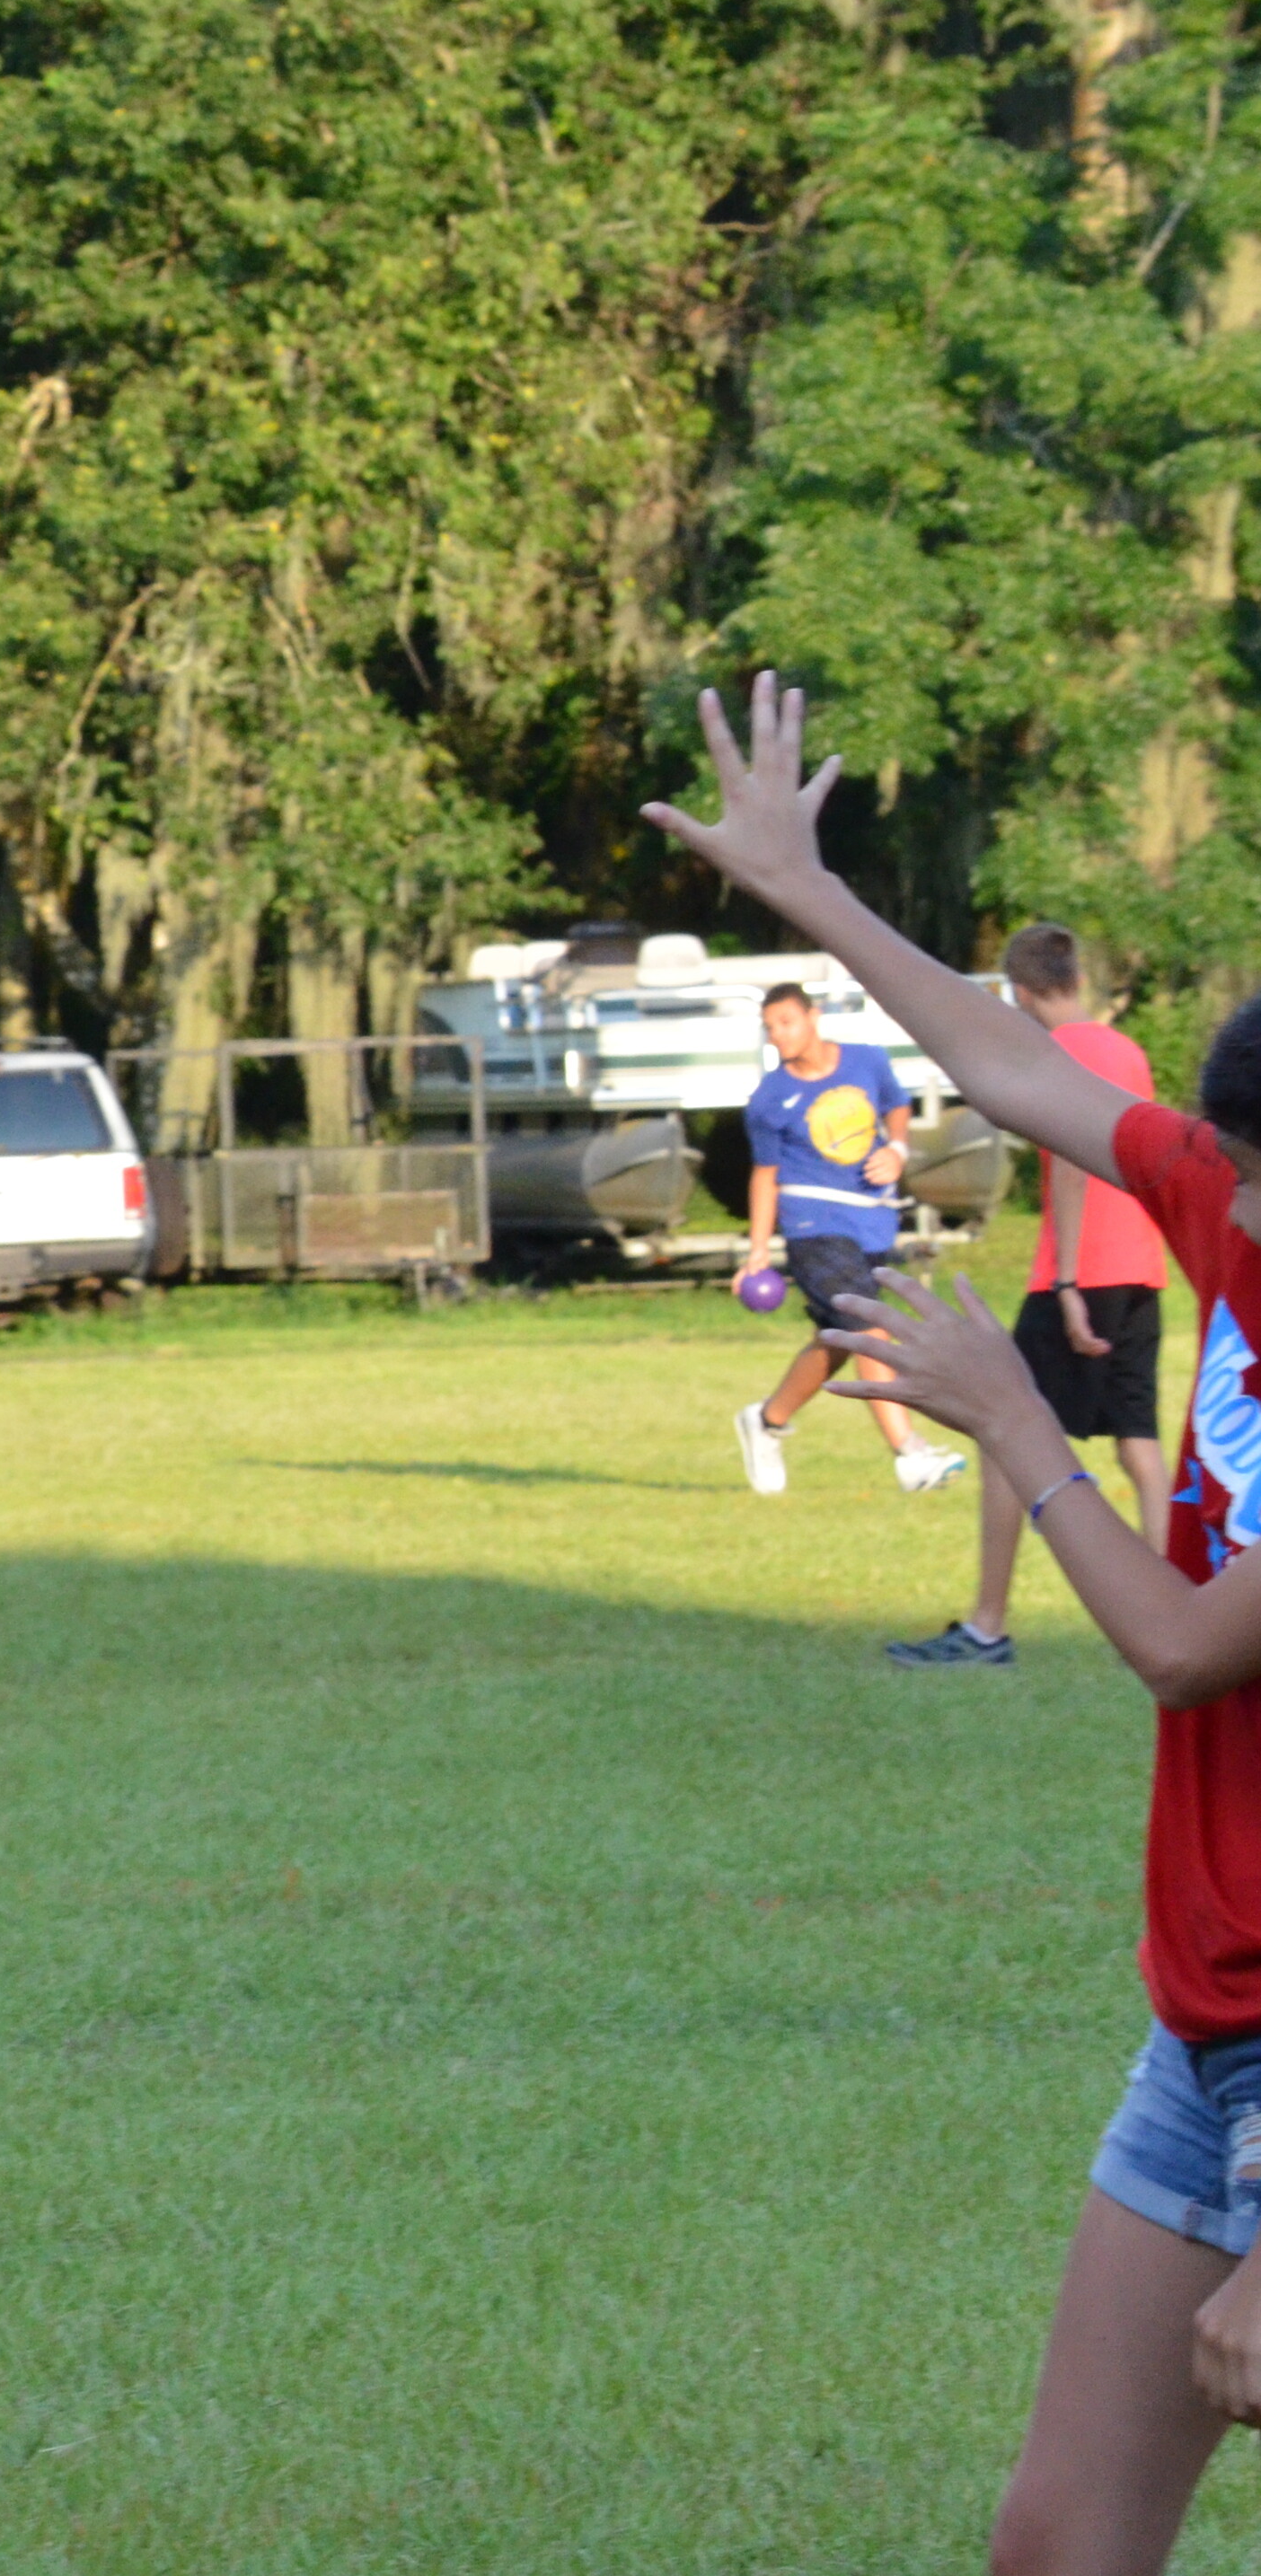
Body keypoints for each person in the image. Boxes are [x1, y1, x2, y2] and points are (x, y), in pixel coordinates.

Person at [649, 673, 1261, 2573]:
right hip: (1206, 2030)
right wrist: (804, 889)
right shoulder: (1230, 1211)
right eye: (1234, 1171)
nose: (1230, 1213)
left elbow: (1185, 1644)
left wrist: (1013, 1424)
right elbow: (1012, 1069)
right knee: (1055, 2549)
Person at [886, 924, 1177, 1669]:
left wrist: (1070, 1282)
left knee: (1003, 1434)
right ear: (1076, 977)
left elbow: (1077, 1161)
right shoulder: (1128, 1050)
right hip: (1140, 1269)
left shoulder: (1058, 1054)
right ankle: (1179, 1612)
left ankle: (987, 1628)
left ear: (1019, 992)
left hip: (1080, 1272)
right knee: (1140, 1444)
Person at [730, 981, 964, 1498]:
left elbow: (896, 1106)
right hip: (812, 1226)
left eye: (786, 1022)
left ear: (813, 1016)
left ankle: (766, 1421)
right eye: (770, 1028)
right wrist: (757, 1251)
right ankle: (910, 1455)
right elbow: (765, 1176)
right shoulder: (769, 1100)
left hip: (871, 1221)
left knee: (839, 1338)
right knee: (869, 1326)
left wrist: (897, 1150)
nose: (778, 1035)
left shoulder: (867, 1061)